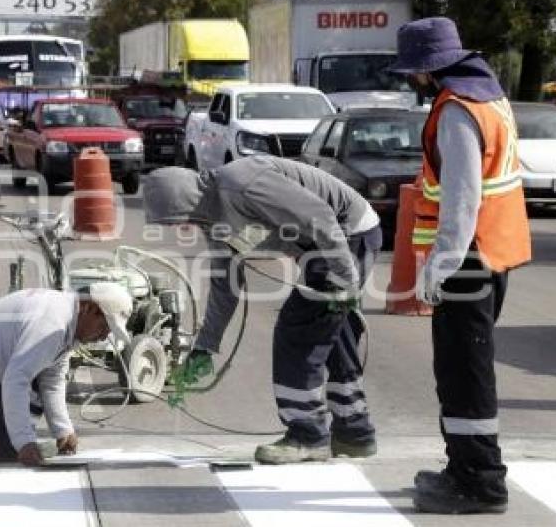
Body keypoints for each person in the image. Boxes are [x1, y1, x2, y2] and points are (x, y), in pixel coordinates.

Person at [143, 156, 382, 464]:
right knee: (335, 335)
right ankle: (355, 433)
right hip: (326, 245)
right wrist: (205, 346)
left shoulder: (242, 181)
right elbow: (225, 285)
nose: (180, 227)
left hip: (348, 234)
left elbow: (321, 216)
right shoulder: (213, 218)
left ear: (185, 199)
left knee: (299, 331)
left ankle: (307, 434)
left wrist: (346, 281)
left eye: (176, 219)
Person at [388, 17, 531, 514]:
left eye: (413, 72)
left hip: (467, 259)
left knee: (463, 373)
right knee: (464, 368)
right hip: (496, 252)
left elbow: (463, 201)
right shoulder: (491, 98)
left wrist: (436, 269)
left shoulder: (455, 112)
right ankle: (464, 467)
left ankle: (479, 482)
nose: (412, 81)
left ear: (427, 71)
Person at [0, 283, 133, 466]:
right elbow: (17, 379)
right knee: (7, 445)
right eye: (105, 326)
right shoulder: (53, 324)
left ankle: (4, 432)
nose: (104, 335)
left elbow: (52, 380)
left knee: (29, 411)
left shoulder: (67, 318)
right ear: (89, 308)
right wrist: (23, 443)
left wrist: (63, 431)